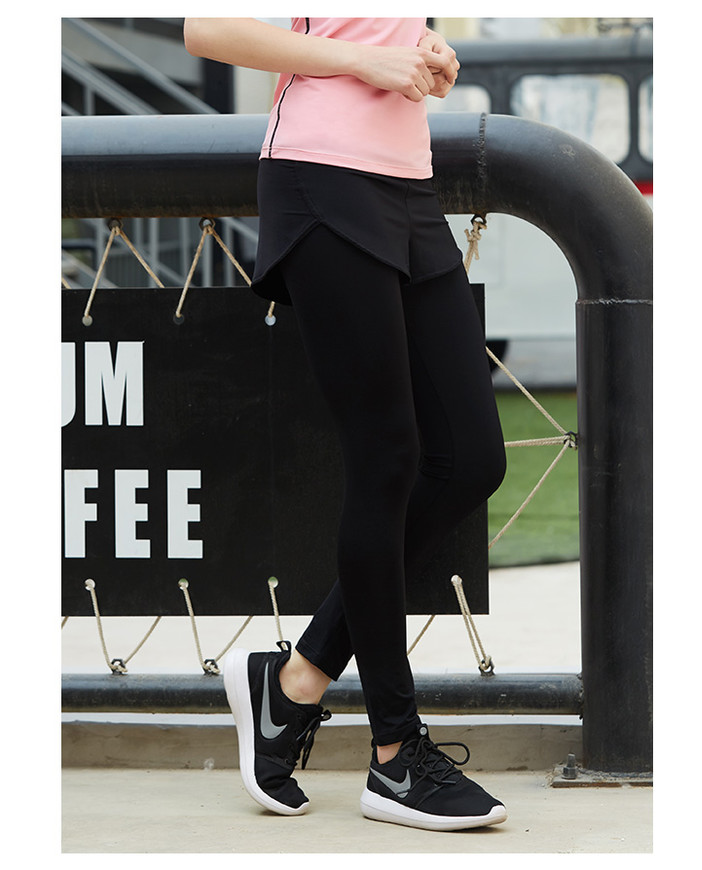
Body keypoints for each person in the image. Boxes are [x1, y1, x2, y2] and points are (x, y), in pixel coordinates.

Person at [184, 17, 507, 832]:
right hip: (321, 175)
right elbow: (205, 27)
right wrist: (366, 61)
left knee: (470, 458)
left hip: (409, 181)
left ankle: (294, 681)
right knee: (386, 457)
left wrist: (427, 49)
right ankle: (396, 755)